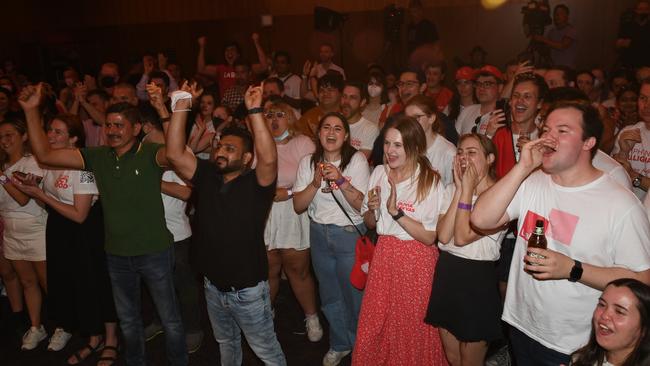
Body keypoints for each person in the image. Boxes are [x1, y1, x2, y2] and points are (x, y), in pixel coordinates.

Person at [471, 100, 650, 365]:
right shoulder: (533, 181)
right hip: (521, 326)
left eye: (562, 131)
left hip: (573, 344)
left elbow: (642, 279)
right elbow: (481, 219)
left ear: (588, 142)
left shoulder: (619, 204)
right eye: (545, 130)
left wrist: (573, 268)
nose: (548, 137)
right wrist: (522, 167)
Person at [20, 84, 187, 366]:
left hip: (154, 252)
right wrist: (31, 111)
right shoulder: (96, 157)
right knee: (128, 321)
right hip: (117, 255)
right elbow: (45, 155)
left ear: (136, 129)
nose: (112, 130)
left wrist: (167, 111)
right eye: (108, 125)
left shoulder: (150, 153)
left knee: (170, 319)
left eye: (120, 125)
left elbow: (175, 154)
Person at [165, 86, 286, 366]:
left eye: (230, 149)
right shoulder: (207, 174)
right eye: (220, 145)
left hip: (248, 292)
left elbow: (268, 158)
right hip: (212, 287)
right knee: (226, 345)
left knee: (267, 352)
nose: (221, 151)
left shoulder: (257, 184)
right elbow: (174, 153)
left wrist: (254, 111)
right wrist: (182, 104)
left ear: (246, 159)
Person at [11, 113, 119, 364]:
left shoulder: (84, 168)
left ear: (74, 139)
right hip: (60, 228)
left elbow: (80, 215)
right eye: (50, 130)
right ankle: (93, 338)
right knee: (75, 286)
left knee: (95, 283)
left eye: (58, 132)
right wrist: (32, 190)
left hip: (85, 232)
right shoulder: (49, 164)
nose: (50, 135)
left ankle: (111, 338)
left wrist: (42, 195)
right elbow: (49, 202)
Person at [352, 116, 447, 366]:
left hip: (417, 261)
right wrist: (372, 210)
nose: (390, 151)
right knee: (377, 322)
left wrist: (397, 213)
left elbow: (430, 236)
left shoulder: (430, 180)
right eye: (387, 143)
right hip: (384, 255)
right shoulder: (379, 173)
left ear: (414, 147)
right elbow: (370, 224)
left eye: (398, 145)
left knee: (412, 325)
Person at [293, 112, 369, 366]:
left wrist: (341, 179)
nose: (331, 132)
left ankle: (361, 346)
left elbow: (362, 207)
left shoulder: (356, 160)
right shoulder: (307, 162)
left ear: (346, 135)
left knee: (354, 295)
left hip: (348, 235)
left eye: (338, 128)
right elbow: (298, 205)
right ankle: (340, 343)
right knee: (329, 295)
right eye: (326, 127)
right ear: (319, 133)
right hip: (319, 234)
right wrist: (315, 183)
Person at [427, 133, 506, 366]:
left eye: (472, 152)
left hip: (476, 280)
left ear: (490, 158)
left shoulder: (501, 195)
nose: (463, 157)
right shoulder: (452, 189)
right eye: (460, 152)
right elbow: (443, 236)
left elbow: (462, 238)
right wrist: (462, 190)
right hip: (448, 273)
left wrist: (467, 192)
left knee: (470, 361)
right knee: (452, 358)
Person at [261, 98, 323, 342]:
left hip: (293, 211)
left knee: (298, 270)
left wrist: (286, 193)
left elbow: (312, 180)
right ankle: (266, 315)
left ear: (290, 118)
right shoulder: (259, 145)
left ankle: (312, 316)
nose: (274, 120)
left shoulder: (302, 143)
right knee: (268, 269)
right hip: (265, 214)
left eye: (279, 114)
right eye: (269, 115)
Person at [0, 118, 48, 351]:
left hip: (35, 227)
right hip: (11, 230)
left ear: (24, 137)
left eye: (10, 135)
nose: (4, 141)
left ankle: (63, 325)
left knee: (47, 282)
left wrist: (1, 175)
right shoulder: (3, 166)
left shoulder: (33, 163)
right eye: (1, 137)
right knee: (27, 282)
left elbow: (22, 198)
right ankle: (36, 327)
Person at [571, 278, 650, 366]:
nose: (604, 315)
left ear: (644, 329)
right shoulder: (580, 359)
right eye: (602, 305)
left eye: (619, 311)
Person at [492, 73, 548, 179]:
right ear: (510, 101)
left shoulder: (545, 140)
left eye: (527, 96)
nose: (519, 101)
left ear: (539, 103)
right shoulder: (498, 136)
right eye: (516, 96)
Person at [612, 79, 650, 201]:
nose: (647, 105)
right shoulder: (628, 131)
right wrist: (623, 153)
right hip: (627, 206)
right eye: (643, 98)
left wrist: (634, 176)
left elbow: (630, 174)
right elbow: (612, 176)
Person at [405, 95, 455, 186]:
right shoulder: (404, 146)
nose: (411, 123)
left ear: (431, 118)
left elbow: (451, 191)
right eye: (408, 119)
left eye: (416, 117)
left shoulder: (448, 152)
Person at [455, 65, 505, 136]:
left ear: (500, 87)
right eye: (478, 84)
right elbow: (454, 142)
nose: (481, 88)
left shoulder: (503, 118)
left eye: (487, 84)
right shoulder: (466, 111)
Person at [295, 74, 343, 140]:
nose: (325, 93)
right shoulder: (309, 116)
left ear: (341, 94)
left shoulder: (346, 116)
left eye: (330, 90)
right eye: (321, 90)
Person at [340, 81, 379, 158]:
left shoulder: (370, 129)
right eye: (344, 96)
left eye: (352, 97)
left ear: (362, 102)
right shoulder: (332, 122)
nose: (346, 102)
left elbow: (359, 161)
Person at [532, 4, 577, 69]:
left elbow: (562, 46)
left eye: (560, 13)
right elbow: (547, 50)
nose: (557, 16)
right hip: (554, 68)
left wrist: (543, 39)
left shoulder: (571, 31)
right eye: (555, 14)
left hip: (568, 69)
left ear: (567, 15)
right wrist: (538, 45)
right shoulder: (552, 31)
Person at [616, 0, 650, 69]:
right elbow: (618, 45)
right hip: (629, 63)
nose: (643, 12)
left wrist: (632, 42)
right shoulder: (627, 26)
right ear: (636, 11)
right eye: (640, 9)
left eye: (646, 9)